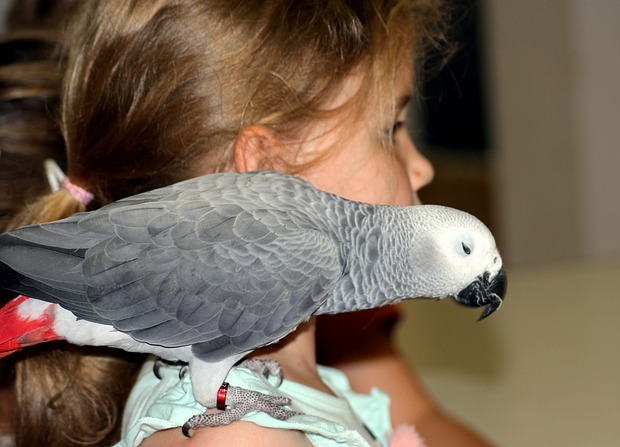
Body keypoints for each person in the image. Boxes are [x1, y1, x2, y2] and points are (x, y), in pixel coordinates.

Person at [1, 0, 494, 445]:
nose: (424, 165)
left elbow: (426, 419)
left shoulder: (323, 330)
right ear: (264, 165)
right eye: (390, 130)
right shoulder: (245, 436)